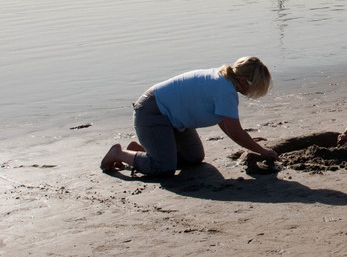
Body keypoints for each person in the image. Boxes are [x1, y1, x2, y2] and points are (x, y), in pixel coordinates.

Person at [100, 56, 277, 176]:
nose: (254, 93)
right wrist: (262, 151)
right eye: (256, 87)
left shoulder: (225, 81)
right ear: (244, 81)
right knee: (164, 168)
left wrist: (249, 141)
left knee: (194, 158)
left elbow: (224, 121)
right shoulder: (225, 90)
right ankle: (119, 153)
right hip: (152, 112)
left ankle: (142, 151)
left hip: (174, 121)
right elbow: (235, 131)